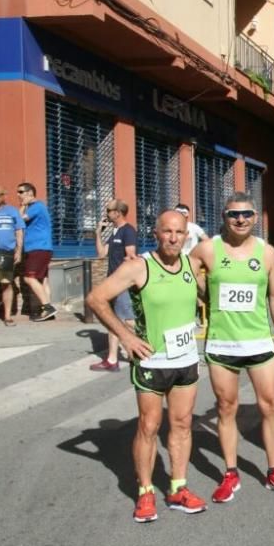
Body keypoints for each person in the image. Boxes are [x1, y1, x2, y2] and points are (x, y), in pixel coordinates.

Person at [85, 209, 208, 522]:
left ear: (186, 235)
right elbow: (96, 298)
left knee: (181, 424)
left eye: (179, 232)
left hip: (186, 360)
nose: (173, 238)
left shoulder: (193, 265)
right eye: (167, 231)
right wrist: (125, 336)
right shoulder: (139, 267)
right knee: (148, 426)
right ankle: (146, 491)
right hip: (152, 361)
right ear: (155, 234)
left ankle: (178, 488)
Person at [193, 192, 274, 502]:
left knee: (270, 406)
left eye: (246, 214)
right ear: (223, 217)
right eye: (233, 214)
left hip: (259, 342)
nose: (240, 219)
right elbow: (183, 274)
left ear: (255, 217)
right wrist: (205, 293)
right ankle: (230, 473)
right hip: (222, 343)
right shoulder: (207, 250)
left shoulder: (267, 253)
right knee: (226, 408)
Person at [90, 200, 137, 371]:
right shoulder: (115, 232)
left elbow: (131, 256)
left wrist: (124, 277)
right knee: (115, 320)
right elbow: (101, 253)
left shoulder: (128, 231)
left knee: (128, 320)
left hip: (122, 282)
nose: (107, 213)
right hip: (113, 282)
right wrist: (98, 234)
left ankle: (145, 345)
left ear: (118, 212)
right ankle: (113, 359)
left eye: (109, 210)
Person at [0, 186, 24, 325]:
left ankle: (7, 316)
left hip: (6, 254)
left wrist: (18, 251)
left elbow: (19, 231)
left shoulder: (12, 211)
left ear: (4, 195)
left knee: (6, 284)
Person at [17, 182, 56, 321]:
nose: (18, 195)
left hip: (38, 248)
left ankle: (47, 308)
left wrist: (22, 206)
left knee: (29, 278)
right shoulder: (35, 207)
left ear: (29, 193)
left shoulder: (36, 207)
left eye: (21, 192)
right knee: (43, 280)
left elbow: (19, 220)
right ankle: (48, 311)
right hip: (43, 248)